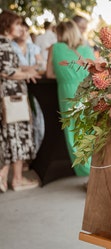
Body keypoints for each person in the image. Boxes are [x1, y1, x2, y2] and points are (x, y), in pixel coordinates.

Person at [46, 20, 95, 176]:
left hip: (68, 92)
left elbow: (49, 74)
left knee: (74, 132)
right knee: (88, 130)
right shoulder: (87, 49)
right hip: (86, 92)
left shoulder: (55, 48)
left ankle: (86, 171)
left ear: (61, 33)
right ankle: (94, 171)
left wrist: (64, 76)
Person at [0, 10, 41, 192]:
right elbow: (5, 71)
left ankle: (10, 177)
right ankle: (17, 180)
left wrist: (27, 68)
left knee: (12, 136)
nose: (20, 28)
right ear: (7, 25)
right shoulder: (4, 44)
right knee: (18, 135)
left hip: (10, 96)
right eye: (17, 24)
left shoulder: (6, 44)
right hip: (12, 97)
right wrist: (27, 74)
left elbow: (10, 67)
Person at [11, 19, 45, 157]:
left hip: (34, 89)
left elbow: (41, 64)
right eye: (21, 29)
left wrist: (30, 70)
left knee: (37, 123)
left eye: (26, 30)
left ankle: (32, 156)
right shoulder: (10, 47)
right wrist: (28, 71)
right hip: (16, 89)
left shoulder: (33, 48)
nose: (24, 32)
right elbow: (9, 68)